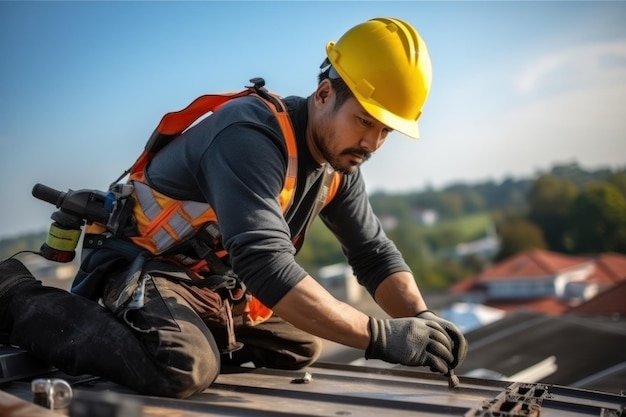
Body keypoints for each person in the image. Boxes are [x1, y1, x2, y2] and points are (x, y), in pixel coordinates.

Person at [0, 17, 467, 399]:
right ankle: (15, 295)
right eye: (364, 121)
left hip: (212, 286)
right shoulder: (250, 136)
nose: (371, 142)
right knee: (183, 365)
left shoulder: (339, 161)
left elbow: (373, 254)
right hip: (148, 268)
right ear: (325, 94)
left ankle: (192, 331)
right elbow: (265, 263)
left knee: (302, 345)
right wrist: (382, 337)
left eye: (385, 130)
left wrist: (422, 321)